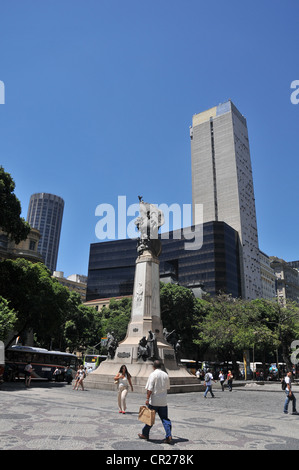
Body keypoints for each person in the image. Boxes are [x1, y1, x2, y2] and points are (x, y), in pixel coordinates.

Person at [138, 360, 172, 444]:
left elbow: (149, 389)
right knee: (165, 419)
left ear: (153, 367)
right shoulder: (165, 375)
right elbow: (167, 387)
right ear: (161, 366)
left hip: (154, 401)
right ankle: (168, 435)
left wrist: (147, 398)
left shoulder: (153, 374)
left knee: (150, 418)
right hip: (163, 401)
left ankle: (145, 434)